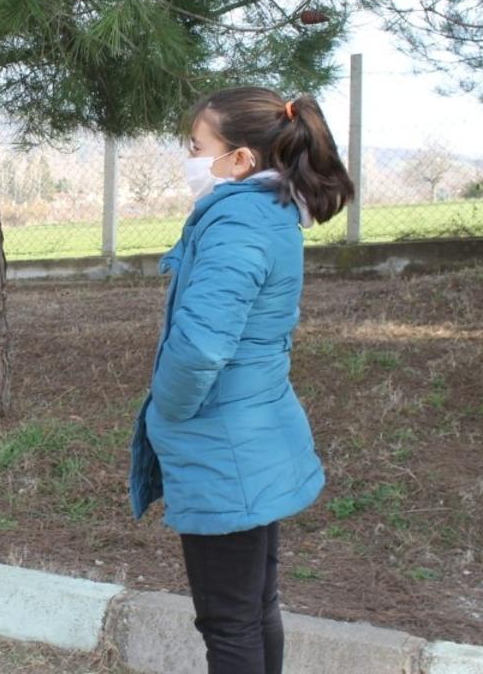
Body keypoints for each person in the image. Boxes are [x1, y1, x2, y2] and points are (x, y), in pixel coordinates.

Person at [128, 86, 354, 674]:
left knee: (229, 623)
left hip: (222, 446)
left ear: (241, 160)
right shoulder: (270, 213)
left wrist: (168, 411)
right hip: (252, 434)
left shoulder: (236, 222)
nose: (189, 159)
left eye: (196, 147)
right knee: (253, 609)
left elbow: (202, 345)